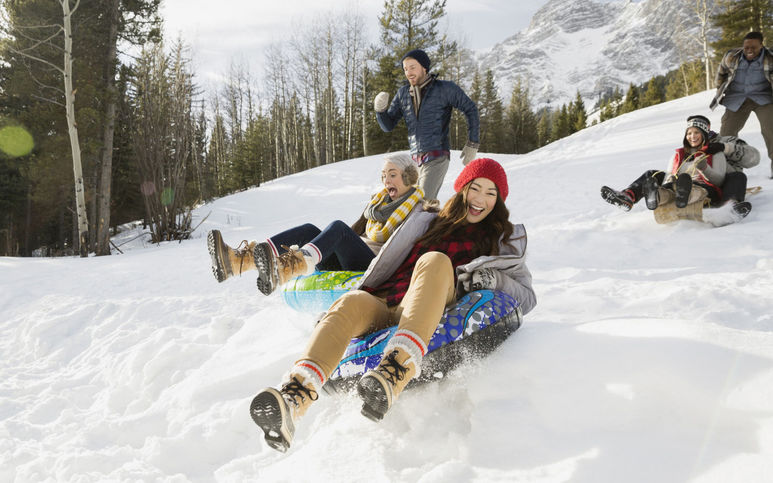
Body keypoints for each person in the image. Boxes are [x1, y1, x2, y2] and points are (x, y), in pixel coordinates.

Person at [249, 158, 536, 453]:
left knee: (435, 260)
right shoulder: (428, 219)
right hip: (385, 297)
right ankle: (294, 397)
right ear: (462, 188)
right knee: (350, 302)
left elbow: (527, 296)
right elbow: (384, 257)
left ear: (499, 200)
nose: (481, 199)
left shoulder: (504, 239)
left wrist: (492, 279)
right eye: (475, 188)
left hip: (427, 302)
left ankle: (395, 369)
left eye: (491, 193)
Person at [207, 153, 425, 295]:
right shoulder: (377, 206)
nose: (386, 180)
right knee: (309, 230)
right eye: (384, 175)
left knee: (339, 228)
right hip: (352, 259)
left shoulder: (418, 209)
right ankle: (238, 261)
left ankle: (286, 267)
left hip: (376, 266)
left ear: (408, 177)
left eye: (393, 175)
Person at [601, 115, 755, 221]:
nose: (693, 136)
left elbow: (721, 178)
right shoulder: (680, 154)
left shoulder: (717, 149)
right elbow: (670, 175)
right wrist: (670, 181)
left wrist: (708, 163)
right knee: (655, 175)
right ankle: (639, 196)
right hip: (679, 185)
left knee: (736, 177)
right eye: (689, 133)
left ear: (705, 133)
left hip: (709, 186)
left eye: (697, 132)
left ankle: (727, 208)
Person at [374, 48, 480, 200]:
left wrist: (473, 142)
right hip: (415, 161)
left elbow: (470, 109)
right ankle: (437, 223)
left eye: (412, 67)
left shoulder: (444, 89)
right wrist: (380, 111)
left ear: (424, 67)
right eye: (405, 69)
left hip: (437, 155)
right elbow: (387, 126)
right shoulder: (403, 94)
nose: (408, 72)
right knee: (412, 206)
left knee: (421, 202)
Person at [710, 31, 773, 178]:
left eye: (753, 47)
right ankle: (726, 170)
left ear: (761, 46)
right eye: (746, 47)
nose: (749, 50)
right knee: (726, 135)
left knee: (770, 130)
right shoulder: (731, 56)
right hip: (736, 98)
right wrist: (720, 89)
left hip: (763, 98)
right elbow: (721, 73)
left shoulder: (770, 58)